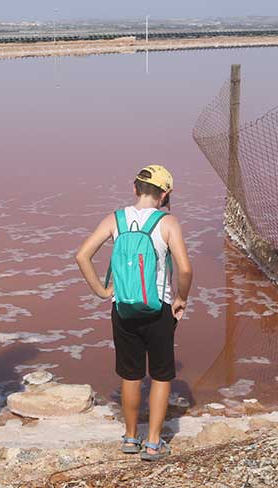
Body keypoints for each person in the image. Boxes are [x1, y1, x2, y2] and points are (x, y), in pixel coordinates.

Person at [75, 164, 193, 462]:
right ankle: (153, 443)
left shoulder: (115, 219)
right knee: (162, 376)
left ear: (135, 188)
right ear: (165, 194)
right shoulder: (168, 223)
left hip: (123, 307)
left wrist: (103, 293)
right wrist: (181, 298)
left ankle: (130, 437)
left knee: (130, 374)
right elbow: (186, 269)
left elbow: (82, 255)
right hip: (158, 308)